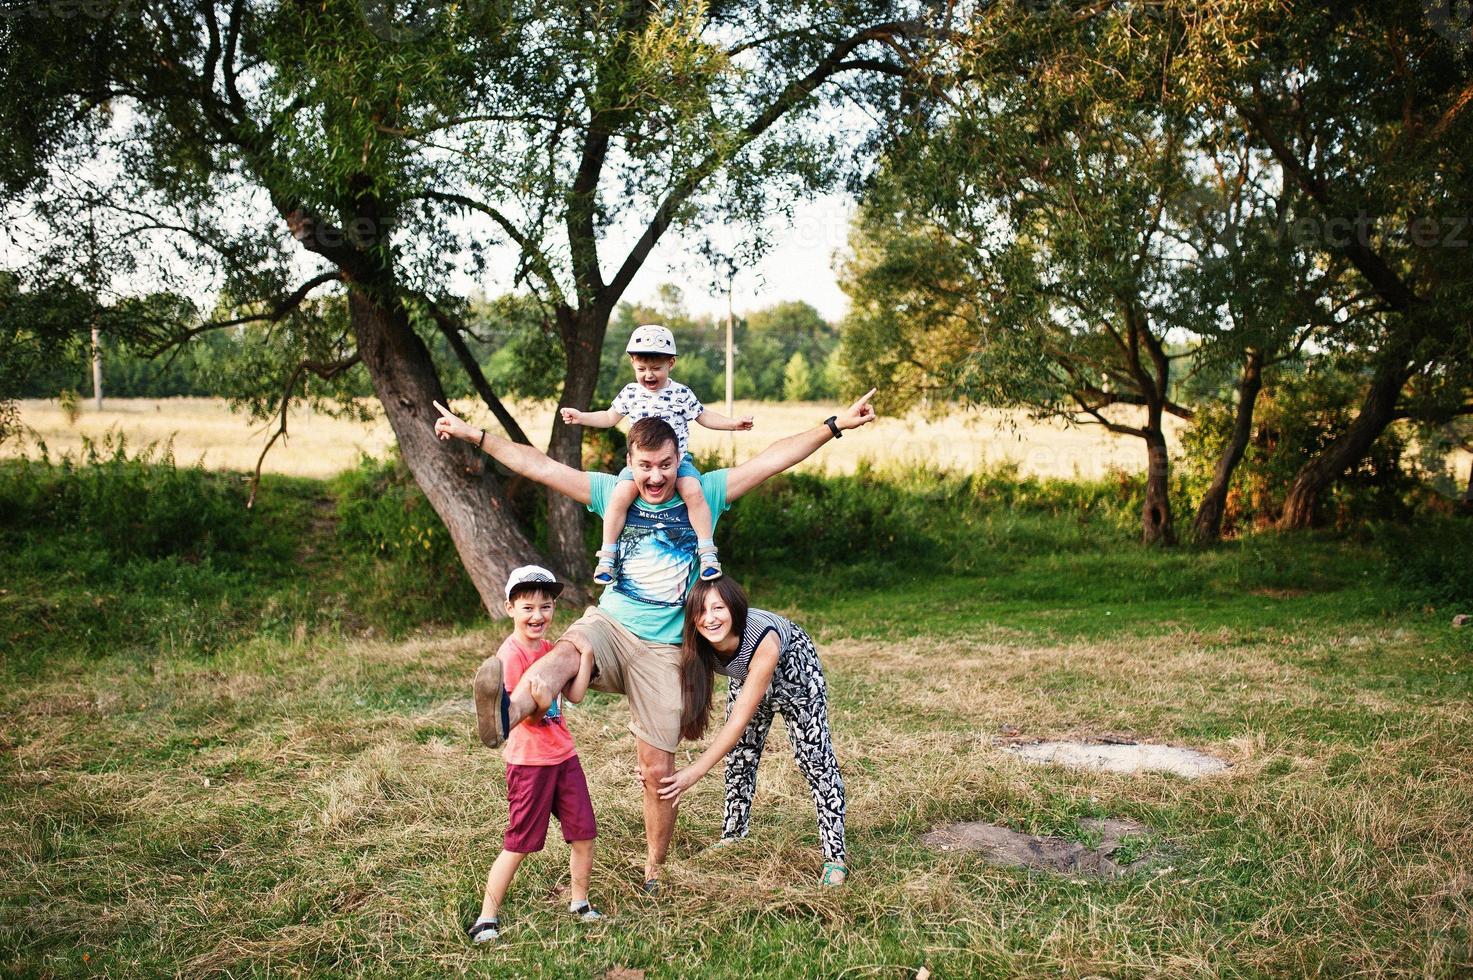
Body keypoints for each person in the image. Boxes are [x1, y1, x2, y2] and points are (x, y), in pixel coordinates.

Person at [433, 388, 876, 891]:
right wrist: (475, 434)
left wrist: (834, 425)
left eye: (666, 465)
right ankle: (505, 714)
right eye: (645, 466)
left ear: (678, 459)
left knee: (655, 768)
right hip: (613, 626)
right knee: (564, 654)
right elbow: (538, 465)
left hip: (667, 651)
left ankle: (655, 868)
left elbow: (772, 460)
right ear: (629, 463)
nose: (656, 476)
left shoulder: (703, 492)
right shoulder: (610, 493)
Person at [657, 577, 847, 886]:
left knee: (814, 760)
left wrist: (694, 772)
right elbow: (680, 699)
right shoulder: (696, 642)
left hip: (794, 670)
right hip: (746, 674)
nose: (710, 618)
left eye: (718, 607)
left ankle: (834, 856)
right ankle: (733, 835)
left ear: (733, 607)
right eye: (701, 610)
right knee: (740, 758)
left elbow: (739, 720)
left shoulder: (763, 642)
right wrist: (657, 749)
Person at [559, 324, 754, 586]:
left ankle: (707, 552)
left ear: (671, 363)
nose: (648, 375)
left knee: (693, 490)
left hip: (677, 462)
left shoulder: (681, 393)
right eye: (641, 369)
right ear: (632, 364)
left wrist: (732, 423)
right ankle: (607, 554)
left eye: (656, 369)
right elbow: (608, 417)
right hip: (639, 465)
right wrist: (581, 417)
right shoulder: (630, 392)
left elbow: (704, 416)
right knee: (619, 496)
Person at [468, 566, 601, 944]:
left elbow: (573, 696)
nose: (538, 616)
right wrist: (538, 707)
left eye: (546, 607)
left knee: (584, 833)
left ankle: (579, 903)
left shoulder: (549, 650)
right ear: (509, 608)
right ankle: (486, 918)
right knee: (520, 842)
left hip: (564, 756)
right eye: (527, 607)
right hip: (530, 762)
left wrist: (585, 654)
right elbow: (528, 719)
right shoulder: (507, 656)